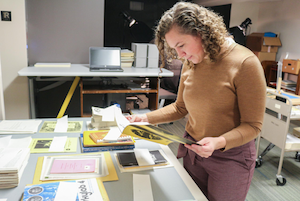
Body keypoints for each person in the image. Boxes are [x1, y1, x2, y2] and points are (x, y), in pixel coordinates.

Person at [126, 2, 266, 201]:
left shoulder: (245, 63)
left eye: (181, 45)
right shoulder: (191, 61)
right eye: (175, 49)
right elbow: (180, 107)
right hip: (193, 150)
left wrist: (218, 142)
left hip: (230, 159)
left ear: (203, 32)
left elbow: (253, 126)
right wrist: (144, 118)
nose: (180, 55)